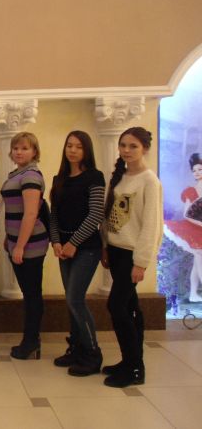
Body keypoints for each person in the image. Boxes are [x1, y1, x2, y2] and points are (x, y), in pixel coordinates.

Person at [101, 127, 162, 388]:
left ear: (145, 149)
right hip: (115, 251)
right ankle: (130, 362)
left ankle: (135, 367)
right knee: (129, 307)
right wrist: (105, 246)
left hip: (132, 255)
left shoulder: (150, 181)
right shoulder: (121, 177)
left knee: (116, 306)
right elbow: (109, 216)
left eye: (133, 146)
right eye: (123, 145)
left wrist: (141, 262)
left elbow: (152, 225)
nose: (126, 150)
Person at [49, 131, 105, 376]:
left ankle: (93, 353)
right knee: (70, 300)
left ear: (86, 150)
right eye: (69, 145)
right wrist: (56, 241)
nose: (72, 150)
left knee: (75, 299)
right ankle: (76, 348)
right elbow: (54, 214)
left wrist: (73, 242)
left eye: (78, 147)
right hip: (63, 248)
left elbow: (95, 214)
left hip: (87, 248)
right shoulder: (59, 178)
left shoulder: (95, 177)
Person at [1, 132, 49, 360]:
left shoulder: (30, 175)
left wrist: (19, 246)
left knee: (31, 295)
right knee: (29, 293)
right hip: (17, 242)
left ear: (34, 152)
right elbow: (14, 210)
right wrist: (9, 239)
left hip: (31, 245)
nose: (19, 152)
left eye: (24, 148)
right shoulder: (18, 173)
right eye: (16, 148)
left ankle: (31, 341)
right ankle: (31, 340)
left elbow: (30, 214)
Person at [164, 153, 202, 302]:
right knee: (199, 259)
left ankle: (193, 294)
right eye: (194, 170)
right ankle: (194, 293)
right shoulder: (190, 191)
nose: (197, 172)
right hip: (194, 230)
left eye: (200, 169)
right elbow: (187, 213)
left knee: (197, 263)